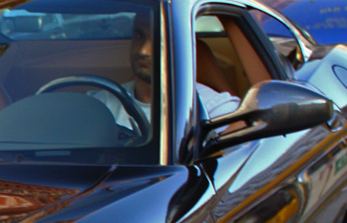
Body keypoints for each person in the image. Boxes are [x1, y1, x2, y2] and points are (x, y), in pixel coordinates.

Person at [88, 15, 239, 140]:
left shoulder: (211, 109)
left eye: (158, 39)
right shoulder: (101, 103)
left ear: (180, 46)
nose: (143, 50)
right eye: (139, 36)